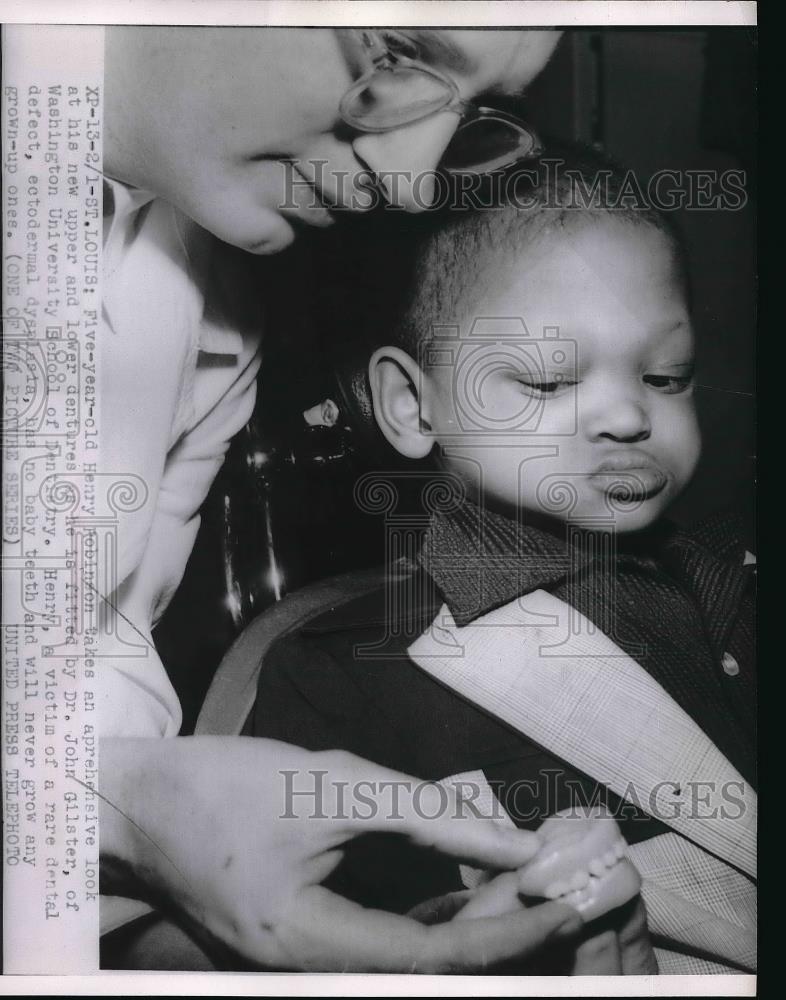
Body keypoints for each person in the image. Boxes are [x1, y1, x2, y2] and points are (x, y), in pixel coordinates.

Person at [96, 25, 636, 972]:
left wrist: (364, 950)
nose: (415, 178)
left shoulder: (212, 294)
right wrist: (125, 810)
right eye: (396, 51)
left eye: (471, 112)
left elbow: (90, 676)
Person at [251, 149, 756, 974]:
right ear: (414, 405)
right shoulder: (337, 675)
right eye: (551, 379)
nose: (630, 413)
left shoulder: (737, 580)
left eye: (667, 375)